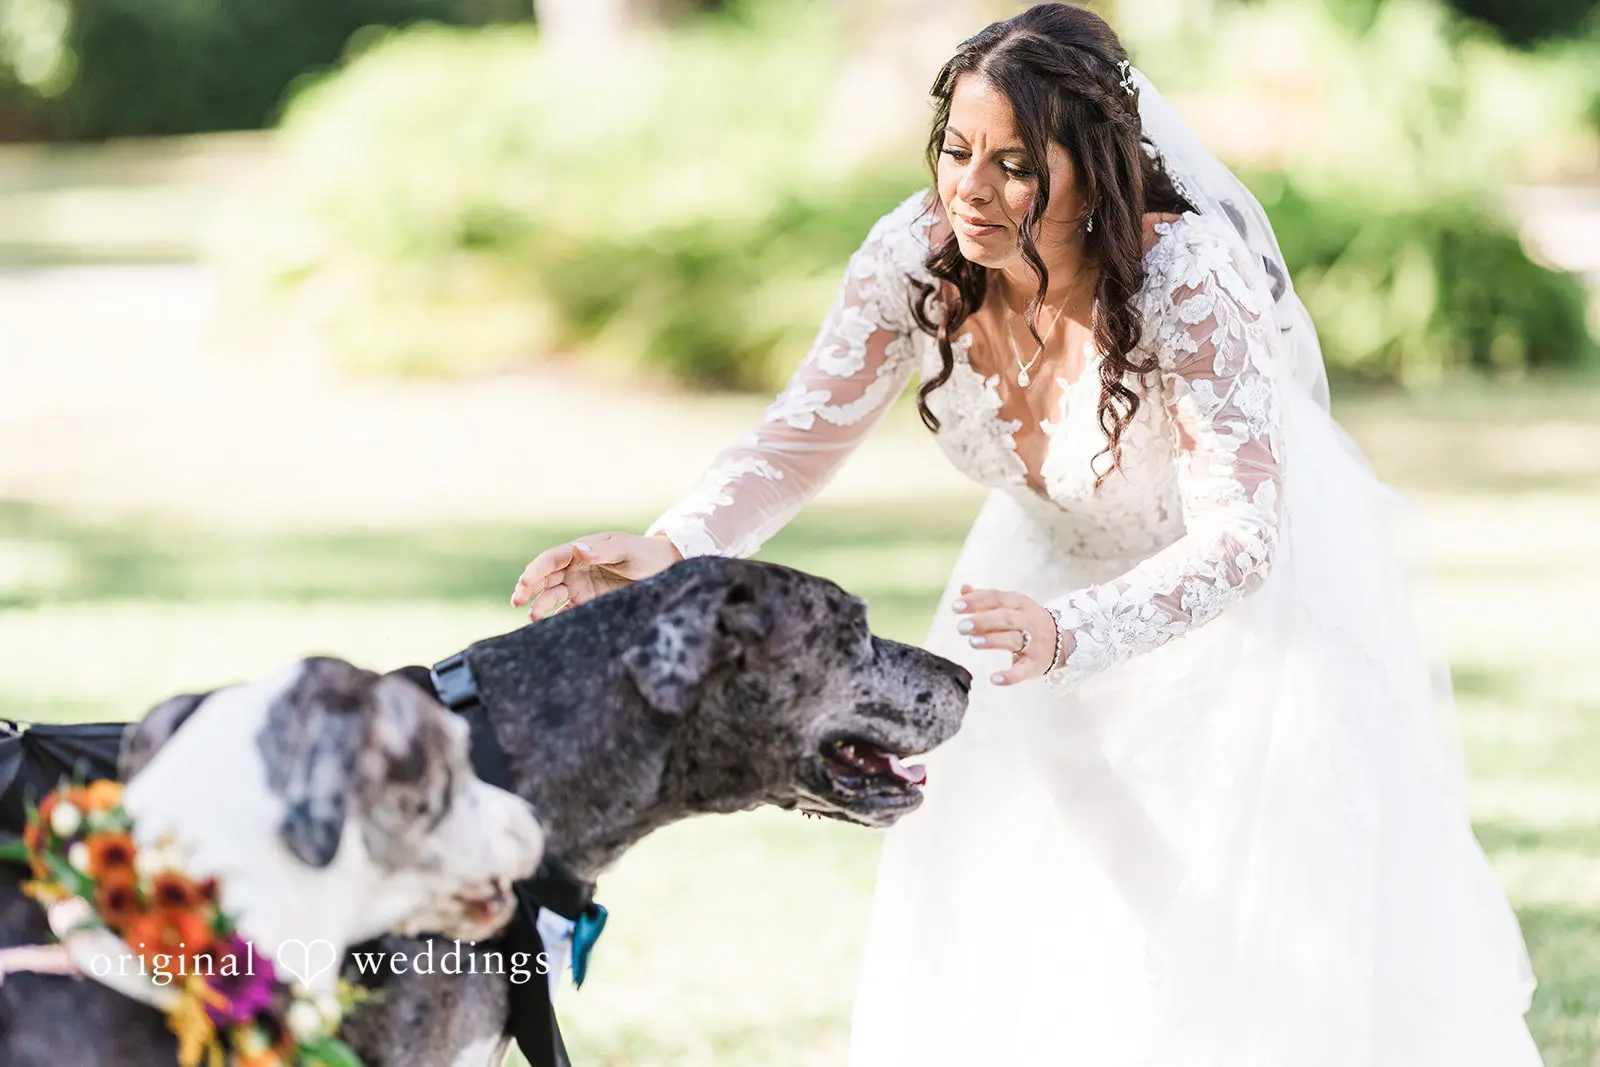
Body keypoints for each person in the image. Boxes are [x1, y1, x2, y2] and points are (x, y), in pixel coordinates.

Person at [511, 5, 1544, 1064]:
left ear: (1095, 173)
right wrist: (676, 545)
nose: (969, 187)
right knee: (1022, 931)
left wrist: (1072, 634)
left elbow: (1242, 537)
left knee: (1234, 951)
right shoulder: (917, 255)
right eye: (957, 149)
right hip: (1025, 594)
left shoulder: (1185, 277)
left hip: (1237, 626)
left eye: (1013, 165)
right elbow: (794, 442)